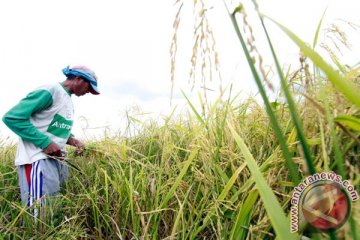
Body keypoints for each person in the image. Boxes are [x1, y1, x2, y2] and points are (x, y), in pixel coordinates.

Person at [2, 65, 100, 223]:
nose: (89, 91)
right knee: (39, 216)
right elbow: (12, 117)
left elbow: (54, 127)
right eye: (89, 87)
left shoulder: (67, 99)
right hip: (38, 160)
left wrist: (73, 140)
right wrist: (44, 142)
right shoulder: (51, 90)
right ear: (79, 79)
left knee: (55, 212)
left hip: (58, 161)